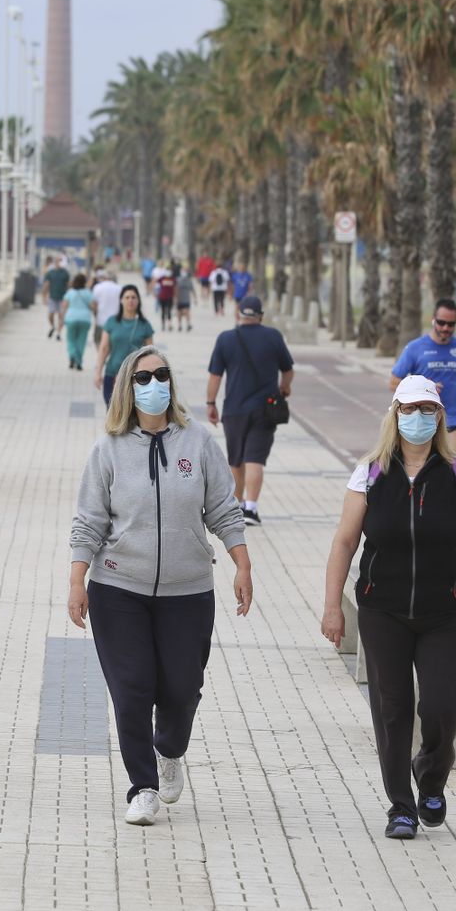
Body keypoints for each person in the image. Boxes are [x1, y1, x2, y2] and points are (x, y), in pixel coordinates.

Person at [69, 345, 254, 826]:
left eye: (162, 375)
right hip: (117, 587)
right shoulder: (107, 449)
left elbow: (223, 509)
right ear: (128, 388)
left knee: (181, 687)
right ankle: (143, 786)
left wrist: (242, 564)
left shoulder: (199, 442)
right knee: (131, 689)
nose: (155, 384)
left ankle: (170, 750)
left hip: (187, 590)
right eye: (144, 377)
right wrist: (77, 579)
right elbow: (88, 520)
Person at [320, 376, 456, 840]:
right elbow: (344, 542)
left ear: (438, 416)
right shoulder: (371, 474)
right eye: (408, 409)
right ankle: (400, 805)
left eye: (426, 410)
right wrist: (331, 607)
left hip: (445, 612)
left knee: (442, 705)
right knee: (393, 708)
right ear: (394, 415)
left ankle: (431, 776)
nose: (416, 418)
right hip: (383, 611)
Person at [206, 296, 294, 526]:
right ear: (260, 316)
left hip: (234, 410)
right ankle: (252, 509)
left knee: (236, 460)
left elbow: (215, 375)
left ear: (238, 314)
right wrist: (284, 388)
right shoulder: (273, 337)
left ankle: (237, 507)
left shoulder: (226, 339)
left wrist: (210, 403)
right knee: (255, 459)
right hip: (265, 409)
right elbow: (288, 370)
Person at [389, 298, 456, 452]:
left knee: (453, 470)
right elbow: (393, 382)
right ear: (433, 320)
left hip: (452, 421)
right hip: (422, 422)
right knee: (420, 470)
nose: (445, 328)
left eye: (451, 324)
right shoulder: (415, 348)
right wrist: (424, 388)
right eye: (441, 323)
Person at [95, 284, 155, 405]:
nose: (130, 300)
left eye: (133, 297)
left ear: (138, 300)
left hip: (136, 377)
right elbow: (104, 348)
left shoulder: (144, 325)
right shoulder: (112, 322)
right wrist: (98, 372)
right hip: (112, 373)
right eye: (127, 297)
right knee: (112, 413)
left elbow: (151, 353)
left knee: (132, 416)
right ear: (121, 300)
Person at [60, 272, 97, 371]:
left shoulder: (70, 292)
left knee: (71, 340)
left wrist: (61, 319)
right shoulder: (88, 292)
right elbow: (93, 307)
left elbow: (64, 306)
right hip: (85, 319)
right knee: (81, 341)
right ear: (84, 282)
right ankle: (79, 362)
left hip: (71, 318)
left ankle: (72, 355)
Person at [91, 269, 123, 358]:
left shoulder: (98, 287)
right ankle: (107, 356)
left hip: (100, 320)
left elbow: (94, 304)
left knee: (97, 340)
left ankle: (101, 356)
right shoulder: (120, 288)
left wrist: (95, 315)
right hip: (115, 321)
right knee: (112, 342)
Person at [41, 256, 72, 340]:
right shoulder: (50, 273)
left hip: (63, 298)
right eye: (59, 261)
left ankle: (58, 333)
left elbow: (69, 285)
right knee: (51, 314)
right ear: (55, 262)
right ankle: (52, 327)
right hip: (52, 297)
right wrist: (44, 296)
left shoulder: (65, 273)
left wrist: (70, 297)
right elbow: (46, 285)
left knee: (61, 315)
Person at [174, 265, 193, 331]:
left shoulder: (188, 280)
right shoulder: (178, 279)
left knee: (186, 311)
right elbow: (175, 289)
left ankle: (187, 324)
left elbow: (192, 289)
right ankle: (180, 325)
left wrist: (195, 297)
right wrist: (175, 298)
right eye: (183, 270)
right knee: (180, 312)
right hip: (180, 299)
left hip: (186, 299)